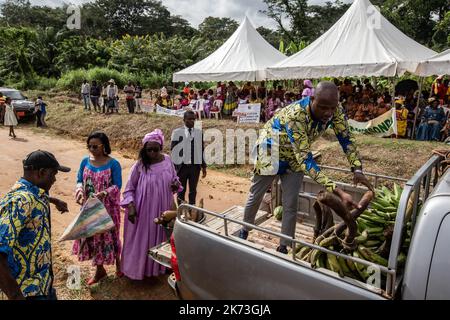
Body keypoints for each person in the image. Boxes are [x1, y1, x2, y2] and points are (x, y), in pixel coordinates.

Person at [238, 81, 372, 254]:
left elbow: (345, 138)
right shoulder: (296, 116)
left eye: (332, 108)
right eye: (323, 107)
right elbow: (306, 161)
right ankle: (244, 230)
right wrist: (338, 191)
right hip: (270, 151)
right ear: (311, 99)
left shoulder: (334, 111)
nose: (328, 113)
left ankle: (284, 245)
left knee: (290, 202)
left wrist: (357, 168)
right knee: (256, 195)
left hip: (295, 157)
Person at [0, 150, 70, 300]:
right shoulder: (21, 202)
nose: (55, 180)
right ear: (41, 172)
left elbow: (35, 194)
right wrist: (15, 295)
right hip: (26, 290)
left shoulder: (34, 192)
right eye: (53, 174)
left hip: (43, 284)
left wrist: (54, 200)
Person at [120, 129, 181, 279]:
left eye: (156, 149)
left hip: (164, 208)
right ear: (144, 149)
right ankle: (140, 270)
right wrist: (132, 207)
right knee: (143, 239)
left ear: (161, 148)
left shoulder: (167, 160)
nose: (152, 153)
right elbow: (129, 189)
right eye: (149, 150)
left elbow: (175, 180)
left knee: (162, 236)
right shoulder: (140, 165)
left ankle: (159, 267)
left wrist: (175, 185)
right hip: (143, 210)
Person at [73, 131, 123, 285]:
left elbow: (117, 185)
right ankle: (99, 270)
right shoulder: (85, 161)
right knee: (94, 237)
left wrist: (104, 193)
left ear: (104, 146)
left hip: (108, 208)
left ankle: (119, 265)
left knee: (111, 236)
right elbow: (79, 180)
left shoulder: (113, 164)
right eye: (89, 146)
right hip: (89, 207)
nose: (91, 149)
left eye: (95, 146)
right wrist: (80, 191)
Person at [171, 111, 207, 206]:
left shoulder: (198, 133)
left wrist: (204, 166)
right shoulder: (177, 132)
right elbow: (173, 151)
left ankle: (192, 208)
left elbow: (201, 150)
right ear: (184, 120)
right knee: (181, 190)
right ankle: (181, 210)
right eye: (189, 119)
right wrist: (174, 169)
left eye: (193, 119)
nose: (192, 121)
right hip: (181, 168)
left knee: (193, 190)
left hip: (194, 168)